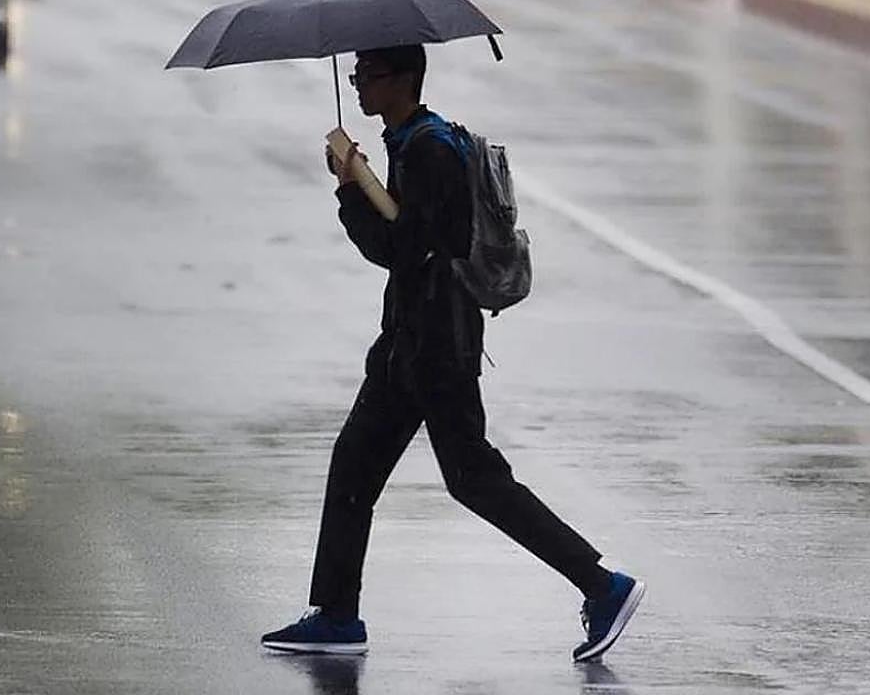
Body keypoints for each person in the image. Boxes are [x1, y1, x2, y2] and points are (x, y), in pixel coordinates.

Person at [260, 45, 644, 663]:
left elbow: (403, 249)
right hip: (411, 341)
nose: (358, 85)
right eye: (356, 76)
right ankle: (334, 613)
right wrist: (362, 179)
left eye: (370, 76)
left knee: (474, 479)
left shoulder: (431, 149)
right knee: (355, 463)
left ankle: (602, 585)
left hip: (436, 345)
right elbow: (412, 238)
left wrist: (350, 191)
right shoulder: (411, 141)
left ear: (404, 80)